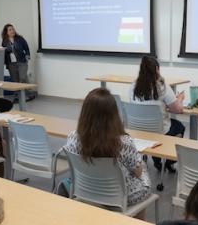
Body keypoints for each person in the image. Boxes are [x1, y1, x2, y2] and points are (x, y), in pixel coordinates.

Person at [64, 88, 151, 217]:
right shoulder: (124, 143)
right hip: (119, 196)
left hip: (86, 190)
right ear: (114, 114)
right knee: (141, 170)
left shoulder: (72, 138)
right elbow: (137, 173)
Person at [130, 56, 185, 173]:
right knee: (179, 127)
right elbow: (178, 110)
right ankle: (168, 161)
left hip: (138, 130)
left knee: (156, 131)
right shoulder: (162, 86)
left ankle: (157, 161)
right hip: (159, 131)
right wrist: (180, 98)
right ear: (157, 69)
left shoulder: (133, 86)